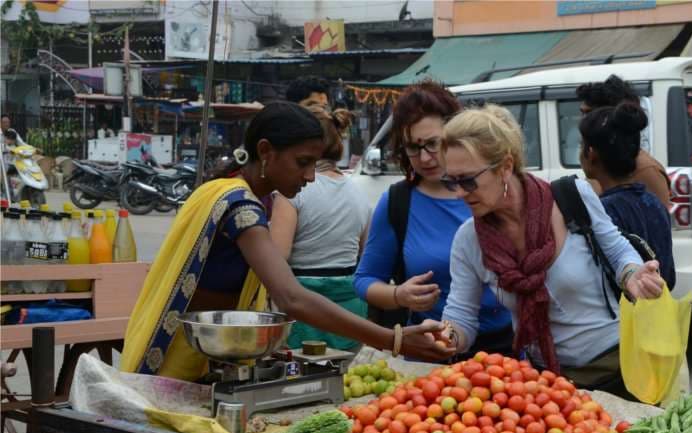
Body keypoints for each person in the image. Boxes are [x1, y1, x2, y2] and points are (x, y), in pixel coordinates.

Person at [120, 101, 454, 380]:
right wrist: (393, 340)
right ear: (265, 151)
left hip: (210, 355)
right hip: (183, 359)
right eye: (303, 163)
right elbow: (291, 298)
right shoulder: (240, 206)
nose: (310, 177)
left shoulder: (237, 194)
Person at [439, 105, 664, 393]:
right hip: (544, 385)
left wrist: (633, 275)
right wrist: (445, 337)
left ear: (505, 167)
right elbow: (461, 316)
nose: (458, 193)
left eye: (468, 180)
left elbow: (619, 251)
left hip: (622, 370)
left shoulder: (572, 197)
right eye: (450, 181)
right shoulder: (468, 240)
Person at [354, 81, 513, 359]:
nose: (425, 157)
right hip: (434, 353)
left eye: (432, 143)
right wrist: (397, 295)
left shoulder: (495, 191)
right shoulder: (398, 202)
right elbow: (365, 279)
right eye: (413, 148)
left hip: (509, 349)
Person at [270, 102, 370, 351]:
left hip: (305, 308)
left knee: (301, 386)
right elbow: (366, 253)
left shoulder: (293, 192)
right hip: (350, 309)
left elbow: (277, 257)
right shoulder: (359, 192)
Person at [579, 101, 676, 289]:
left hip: (623, 315)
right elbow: (668, 275)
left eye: (581, 144)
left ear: (591, 153)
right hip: (657, 310)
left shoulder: (602, 211)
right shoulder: (653, 202)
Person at [576, 75, 671, 206]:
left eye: (588, 114)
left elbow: (656, 223)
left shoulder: (644, 169)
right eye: (582, 114)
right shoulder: (601, 163)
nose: (583, 121)